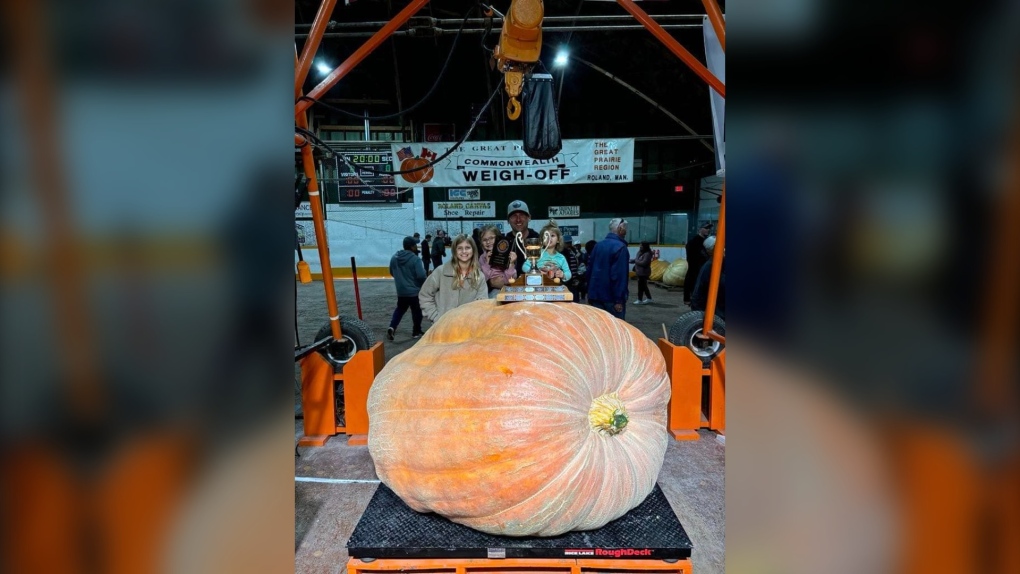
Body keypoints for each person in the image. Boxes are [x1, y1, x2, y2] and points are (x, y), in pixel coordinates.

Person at [419, 234, 488, 322]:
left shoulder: (479, 276)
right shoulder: (441, 272)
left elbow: (482, 304)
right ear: (454, 250)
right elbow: (425, 295)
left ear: (473, 250)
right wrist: (436, 318)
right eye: (459, 248)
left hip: (467, 329)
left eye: (467, 247)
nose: (464, 251)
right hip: (442, 329)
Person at [585, 218, 630, 320]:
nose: (626, 231)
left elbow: (589, 271)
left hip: (595, 296)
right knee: (615, 331)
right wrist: (619, 300)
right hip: (612, 299)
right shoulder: (620, 248)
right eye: (625, 228)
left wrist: (589, 293)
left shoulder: (598, 246)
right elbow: (620, 276)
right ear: (620, 228)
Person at [387, 237, 426, 340]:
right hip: (414, 291)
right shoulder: (415, 259)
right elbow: (421, 275)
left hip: (401, 291)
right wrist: (423, 284)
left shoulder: (394, 257)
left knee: (400, 309)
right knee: (416, 311)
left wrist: (401, 280)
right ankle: (416, 332)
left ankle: (392, 327)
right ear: (412, 246)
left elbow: (391, 272)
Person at [477, 224, 518, 298]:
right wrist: (487, 263)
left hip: (509, 289)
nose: (488, 242)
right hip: (491, 291)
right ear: (481, 243)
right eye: (484, 240)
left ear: (499, 239)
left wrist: (511, 264)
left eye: (492, 238)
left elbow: (510, 280)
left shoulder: (509, 255)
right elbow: (485, 279)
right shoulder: (482, 258)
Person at [691, 236, 725, 318]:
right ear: (711, 250)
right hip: (717, 315)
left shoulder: (722, 264)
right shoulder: (709, 267)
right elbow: (698, 294)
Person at [504, 199, 539, 276]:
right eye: (514, 216)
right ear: (508, 220)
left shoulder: (539, 239)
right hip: (511, 285)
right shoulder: (503, 244)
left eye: (522, 215)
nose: (518, 220)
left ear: (529, 217)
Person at [684, 222, 712, 305]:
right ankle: (690, 299)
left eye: (709, 228)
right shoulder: (693, 241)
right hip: (696, 268)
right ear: (700, 229)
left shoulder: (707, 241)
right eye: (706, 228)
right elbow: (691, 257)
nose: (708, 230)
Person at [561, 234, 581, 302]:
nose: (569, 244)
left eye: (570, 242)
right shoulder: (562, 252)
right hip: (567, 282)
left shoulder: (574, 251)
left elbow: (578, 263)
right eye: (567, 243)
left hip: (574, 281)